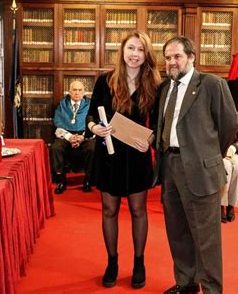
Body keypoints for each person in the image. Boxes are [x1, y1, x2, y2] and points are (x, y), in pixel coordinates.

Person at [152, 36, 238, 294]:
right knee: (177, 231)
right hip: (170, 166)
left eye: (177, 56)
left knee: (206, 237)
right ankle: (186, 283)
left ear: (191, 57)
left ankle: (212, 289)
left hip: (201, 169)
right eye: (167, 58)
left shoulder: (211, 84)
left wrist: (212, 155)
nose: (172, 62)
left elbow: (229, 125)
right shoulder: (165, 88)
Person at [86, 30, 160, 289]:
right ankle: (112, 261)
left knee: (139, 211)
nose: (135, 55)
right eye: (131, 49)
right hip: (109, 154)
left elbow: (161, 124)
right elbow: (91, 116)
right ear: (122, 51)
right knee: (109, 210)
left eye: (140, 50)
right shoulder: (105, 81)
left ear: (146, 54)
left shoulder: (155, 84)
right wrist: (94, 128)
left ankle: (139, 262)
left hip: (138, 155)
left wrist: (150, 141)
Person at [51, 80, 95, 194]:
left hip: (85, 135)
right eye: (74, 90)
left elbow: (95, 124)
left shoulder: (90, 105)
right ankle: (60, 181)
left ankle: (88, 180)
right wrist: (69, 137)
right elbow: (58, 124)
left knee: (93, 148)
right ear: (69, 92)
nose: (77, 93)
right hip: (66, 134)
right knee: (56, 147)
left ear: (84, 92)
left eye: (80, 90)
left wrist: (82, 137)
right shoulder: (62, 104)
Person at [221, 121, 238, 223]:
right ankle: (221, 205)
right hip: (215, 152)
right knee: (226, 166)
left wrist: (233, 147)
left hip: (231, 151)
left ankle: (231, 205)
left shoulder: (233, 112)